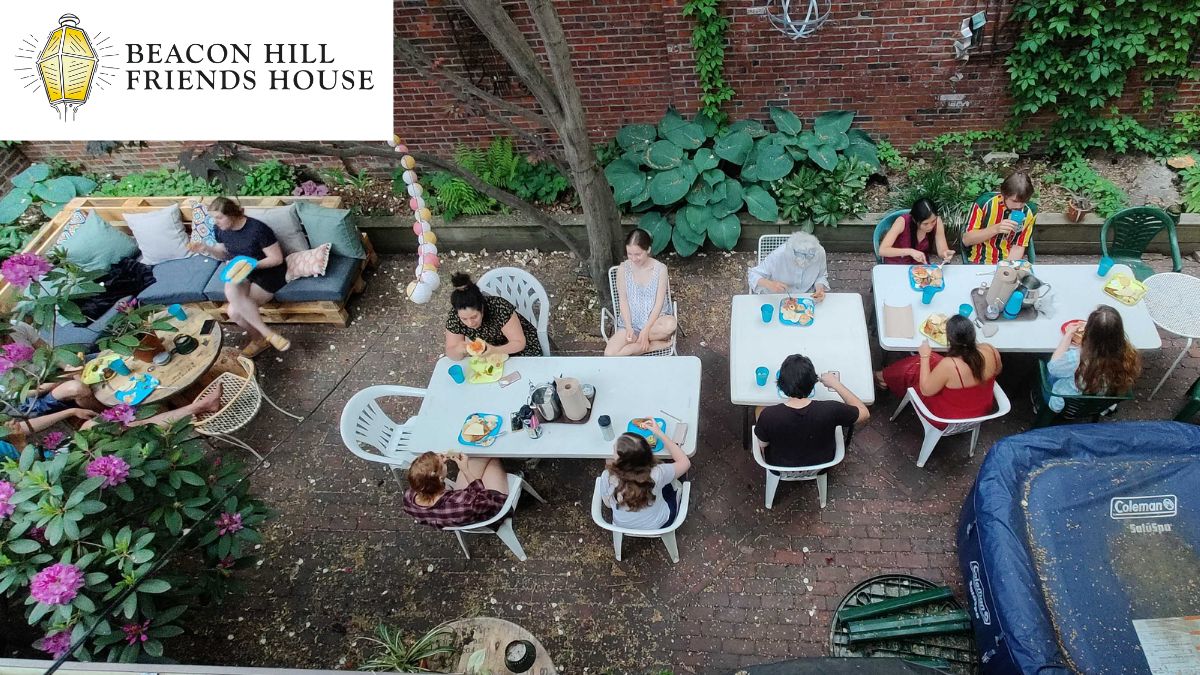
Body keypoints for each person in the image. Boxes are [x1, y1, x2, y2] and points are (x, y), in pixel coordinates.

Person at [188, 197, 290, 357]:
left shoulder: (258, 229)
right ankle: (265, 335)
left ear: (232, 214)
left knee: (234, 312)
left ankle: (260, 339)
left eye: (219, 217)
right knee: (231, 292)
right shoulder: (220, 230)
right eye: (213, 218)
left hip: (266, 273)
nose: (215, 222)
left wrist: (250, 265)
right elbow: (223, 254)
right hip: (241, 272)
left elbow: (276, 259)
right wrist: (206, 248)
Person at [877, 315, 1001, 426]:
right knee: (933, 360)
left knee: (916, 365)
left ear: (950, 340)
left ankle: (882, 377)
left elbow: (925, 390)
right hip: (982, 409)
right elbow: (998, 370)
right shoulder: (990, 349)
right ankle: (885, 377)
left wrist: (925, 356)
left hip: (948, 417)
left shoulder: (949, 365)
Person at [755, 354, 869, 468]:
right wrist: (836, 384)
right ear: (813, 383)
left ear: (781, 384)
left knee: (759, 409)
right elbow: (865, 412)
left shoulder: (769, 415)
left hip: (779, 464)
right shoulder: (831, 409)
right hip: (822, 462)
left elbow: (763, 444)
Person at [1041, 305, 1140, 413]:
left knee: (1047, 363)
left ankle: (1038, 403)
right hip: (1099, 404)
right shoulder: (1129, 354)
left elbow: (1053, 368)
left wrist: (1068, 335)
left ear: (1089, 333)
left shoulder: (1077, 358)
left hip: (1068, 403)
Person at [600, 423, 690, 530]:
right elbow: (685, 463)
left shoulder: (607, 476)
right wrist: (659, 433)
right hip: (659, 523)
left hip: (622, 526)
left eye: (614, 450)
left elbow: (608, 504)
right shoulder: (657, 473)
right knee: (673, 480)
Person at [605, 229, 677, 356]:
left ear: (648, 250)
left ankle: (639, 344)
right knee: (609, 354)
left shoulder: (660, 269)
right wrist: (628, 326)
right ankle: (652, 345)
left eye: (637, 254)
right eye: (630, 254)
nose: (633, 259)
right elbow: (622, 300)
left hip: (654, 324)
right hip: (631, 325)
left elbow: (659, 302)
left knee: (670, 324)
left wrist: (646, 329)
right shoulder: (623, 269)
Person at [444, 273, 542, 359]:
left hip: (518, 351)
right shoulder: (454, 317)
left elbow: (519, 343)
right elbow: (452, 354)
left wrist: (494, 350)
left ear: (482, 309)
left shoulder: (500, 308)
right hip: (487, 355)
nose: (470, 323)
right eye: (464, 319)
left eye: (474, 317)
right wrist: (458, 350)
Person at [402, 451, 510, 529]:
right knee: (491, 456)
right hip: (492, 508)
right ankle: (514, 483)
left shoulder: (408, 498)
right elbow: (486, 501)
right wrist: (465, 470)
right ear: (440, 479)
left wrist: (438, 466)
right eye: (442, 464)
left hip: (457, 513)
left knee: (480, 457)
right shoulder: (463, 502)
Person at [961, 172, 1037, 265]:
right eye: (1014, 201)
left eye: (1023, 201)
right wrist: (995, 229)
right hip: (980, 260)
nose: (1019, 206)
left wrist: (1005, 267)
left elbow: (1018, 246)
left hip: (1010, 261)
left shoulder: (1029, 211)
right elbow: (966, 240)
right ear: (1003, 195)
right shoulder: (985, 203)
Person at [748, 231, 830, 302]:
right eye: (796, 262)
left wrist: (820, 289)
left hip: (806, 297)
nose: (801, 266)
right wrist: (769, 284)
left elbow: (821, 276)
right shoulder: (779, 255)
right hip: (777, 297)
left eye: (807, 263)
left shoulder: (820, 252)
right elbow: (753, 274)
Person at [878, 199, 954, 265]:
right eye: (925, 224)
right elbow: (883, 250)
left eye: (933, 221)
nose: (930, 226)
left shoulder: (937, 222)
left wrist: (945, 254)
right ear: (915, 220)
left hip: (919, 267)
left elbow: (942, 250)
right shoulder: (902, 222)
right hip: (896, 265)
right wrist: (910, 252)